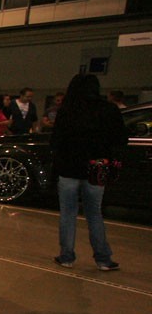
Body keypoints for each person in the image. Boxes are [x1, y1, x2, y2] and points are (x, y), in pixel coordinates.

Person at [51, 73, 127, 271]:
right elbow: (120, 139)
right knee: (94, 213)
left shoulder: (67, 110)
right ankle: (103, 259)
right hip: (96, 169)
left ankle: (66, 256)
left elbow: (56, 141)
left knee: (68, 213)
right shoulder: (108, 109)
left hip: (68, 169)